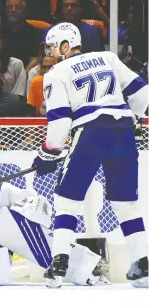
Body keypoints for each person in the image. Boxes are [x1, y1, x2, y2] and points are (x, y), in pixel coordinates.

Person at [32, 22, 149, 288]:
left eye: (52, 46)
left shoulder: (56, 73)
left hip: (91, 134)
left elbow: (60, 122)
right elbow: (143, 93)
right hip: (122, 133)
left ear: (65, 45)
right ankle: (142, 265)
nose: (49, 52)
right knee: (125, 203)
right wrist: (135, 120)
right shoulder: (108, 57)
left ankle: (59, 265)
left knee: (67, 200)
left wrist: (48, 153)